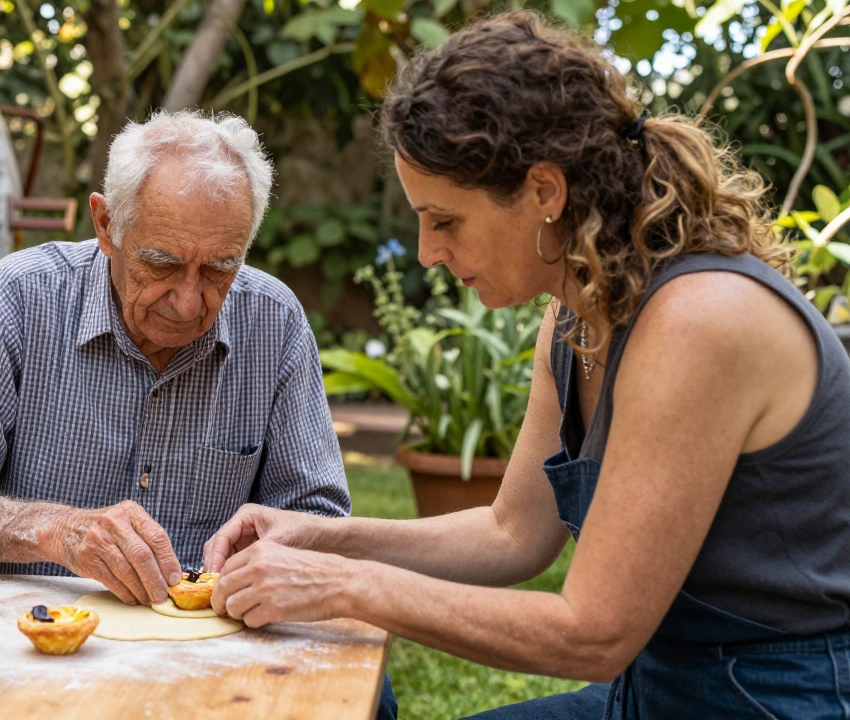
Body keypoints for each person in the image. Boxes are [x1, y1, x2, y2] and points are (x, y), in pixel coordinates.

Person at [204, 12, 850, 718]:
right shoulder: (577, 310)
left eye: (444, 220)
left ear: (545, 192)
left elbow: (592, 633)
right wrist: (325, 537)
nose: (426, 252)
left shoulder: (698, 320)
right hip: (655, 690)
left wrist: (343, 586)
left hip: (782, 698)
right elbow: (513, 533)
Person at [0, 110, 351, 605]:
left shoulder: (273, 322)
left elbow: (321, 522)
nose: (188, 302)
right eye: (161, 263)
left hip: (206, 639)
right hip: (25, 634)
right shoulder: (19, 298)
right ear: (106, 225)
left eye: (219, 269)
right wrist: (55, 531)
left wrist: (274, 552)